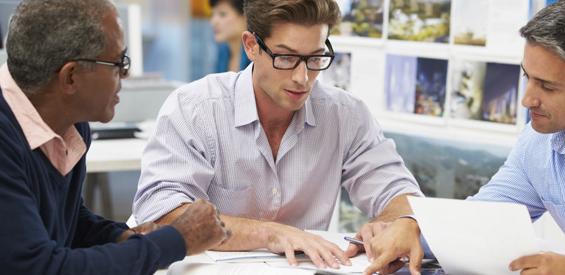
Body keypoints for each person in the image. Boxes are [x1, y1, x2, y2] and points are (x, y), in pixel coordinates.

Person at [133, 0, 423, 269]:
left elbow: (401, 194)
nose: (302, 77)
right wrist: (268, 233)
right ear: (251, 46)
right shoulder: (195, 108)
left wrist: (397, 221)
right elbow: (161, 212)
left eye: (315, 58)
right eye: (285, 58)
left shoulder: (345, 115)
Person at [361, 0, 565, 274]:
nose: (527, 99)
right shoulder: (541, 140)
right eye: (527, 77)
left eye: (547, 87)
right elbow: (486, 214)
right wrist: (413, 226)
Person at [0, 0, 229, 274]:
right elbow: (39, 267)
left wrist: (119, 236)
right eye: (118, 62)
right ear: (71, 77)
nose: (126, 73)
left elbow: (68, 222)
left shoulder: (68, 124)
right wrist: (176, 240)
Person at [209, 0, 250, 72]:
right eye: (212, 15)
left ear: (245, 17)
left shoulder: (257, 55)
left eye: (222, 14)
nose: (213, 22)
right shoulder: (222, 52)